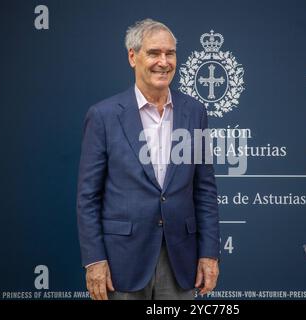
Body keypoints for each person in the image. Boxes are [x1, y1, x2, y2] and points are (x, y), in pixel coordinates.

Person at [76, 19, 220, 300]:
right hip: (121, 264)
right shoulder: (103, 116)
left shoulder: (195, 112)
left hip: (181, 261)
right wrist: (94, 260)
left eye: (170, 53)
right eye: (154, 53)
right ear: (133, 57)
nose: (163, 62)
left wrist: (209, 253)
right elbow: (88, 197)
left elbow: (205, 189)